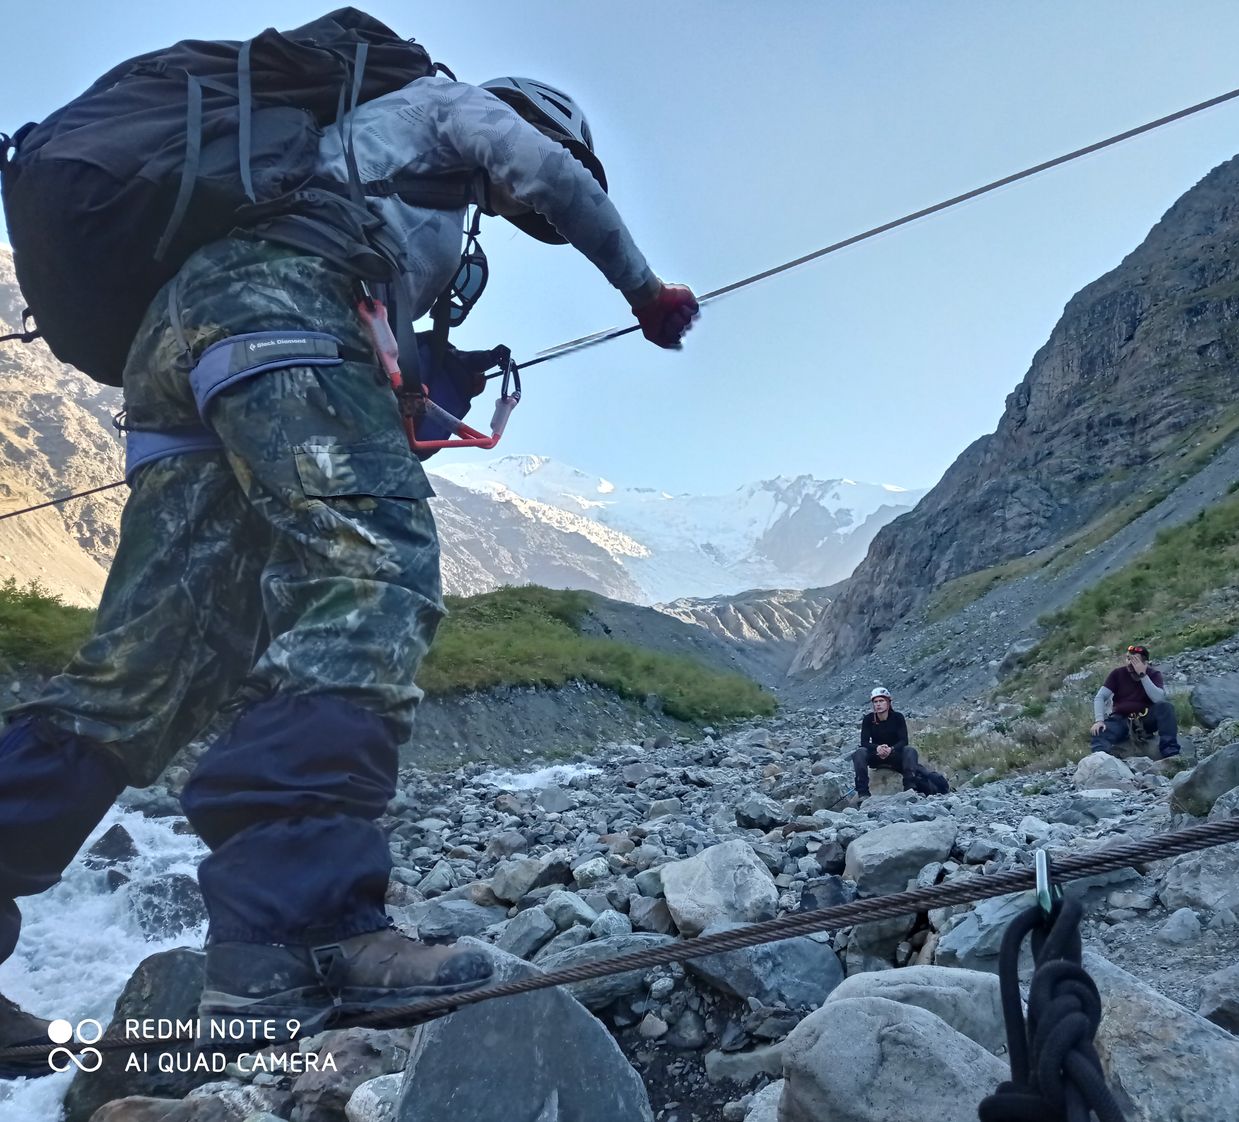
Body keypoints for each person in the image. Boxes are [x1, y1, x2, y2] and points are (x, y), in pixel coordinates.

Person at [0, 67, 698, 1066]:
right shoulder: (448, 105)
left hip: (177, 345)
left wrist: (420, 382)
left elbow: (351, 379)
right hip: (275, 311)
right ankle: (301, 934)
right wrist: (647, 293)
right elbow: (548, 174)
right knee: (369, 579)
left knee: (149, 666)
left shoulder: (339, 168)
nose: (520, 214)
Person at [1089, 645, 1181, 758]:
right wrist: (1099, 720)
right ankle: (1101, 759)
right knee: (1099, 731)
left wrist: (1143, 675)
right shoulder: (1117, 674)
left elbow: (1158, 699)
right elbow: (1100, 697)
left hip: (1145, 718)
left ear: (1145, 663)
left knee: (1166, 707)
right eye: (1128, 658)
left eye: (1134, 660)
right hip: (1121, 719)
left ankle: (1170, 752)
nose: (1129, 663)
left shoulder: (1153, 675)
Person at [851, 687, 922, 798]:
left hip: (894, 755)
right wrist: (877, 748)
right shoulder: (868, 719)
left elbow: (904, 741)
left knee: (910, 751)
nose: (878, 704)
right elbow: (864, 742)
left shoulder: (898, 717)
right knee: (859, 752)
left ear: (888, 702)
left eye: (881, 701)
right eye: (875, 702)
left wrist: (891, 749)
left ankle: (910, 789)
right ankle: (863, 793)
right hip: (876, 755)